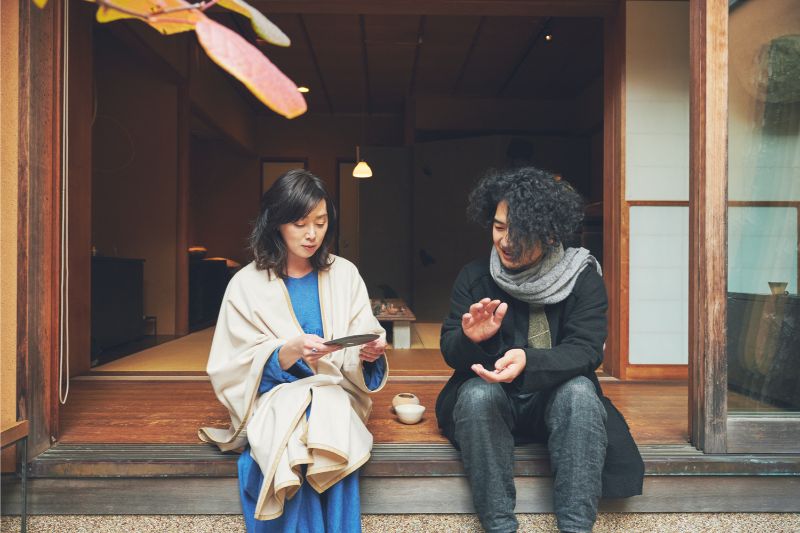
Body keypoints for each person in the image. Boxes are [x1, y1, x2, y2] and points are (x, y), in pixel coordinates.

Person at [436, 167, 644, 533]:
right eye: (500, 227)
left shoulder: (582, 276)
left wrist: (528, 361)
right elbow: (451, 352)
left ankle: (576, 528)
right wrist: (472, 339)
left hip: (557, 397)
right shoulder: (475, 276)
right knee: (475, 396)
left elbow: (586, 350)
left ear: (549, 233)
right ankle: (500, 526)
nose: (507, 240)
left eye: (521, 230)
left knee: (580, 393)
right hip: (496, 402)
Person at [199, 169, 388, 532]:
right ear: (277, 223)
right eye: (301, 223)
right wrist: (286, 352)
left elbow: (361, 342)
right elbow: (229, 364)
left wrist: (369, 354)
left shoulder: (345, 274)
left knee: (327, 414)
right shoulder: (245, 284)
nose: (313, 234)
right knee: (295, 425)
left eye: (320, 221)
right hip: (275, 399)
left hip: (335, 393)